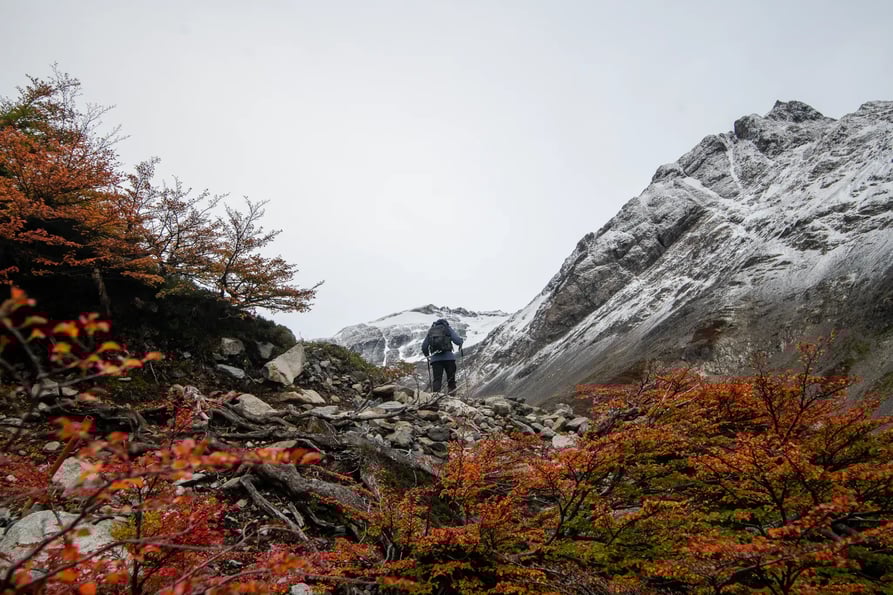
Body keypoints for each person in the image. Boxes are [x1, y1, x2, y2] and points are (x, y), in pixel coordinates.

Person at [421, 318, 464, 395]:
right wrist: (461, 341)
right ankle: (452, 398)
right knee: (451, 379)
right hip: (449, 358)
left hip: (435, 360)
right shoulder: (447, 328)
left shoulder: (431, 331)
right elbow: (457, 340)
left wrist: (427, 356)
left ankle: (435, 398)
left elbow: (424, 346)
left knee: (437, 380)